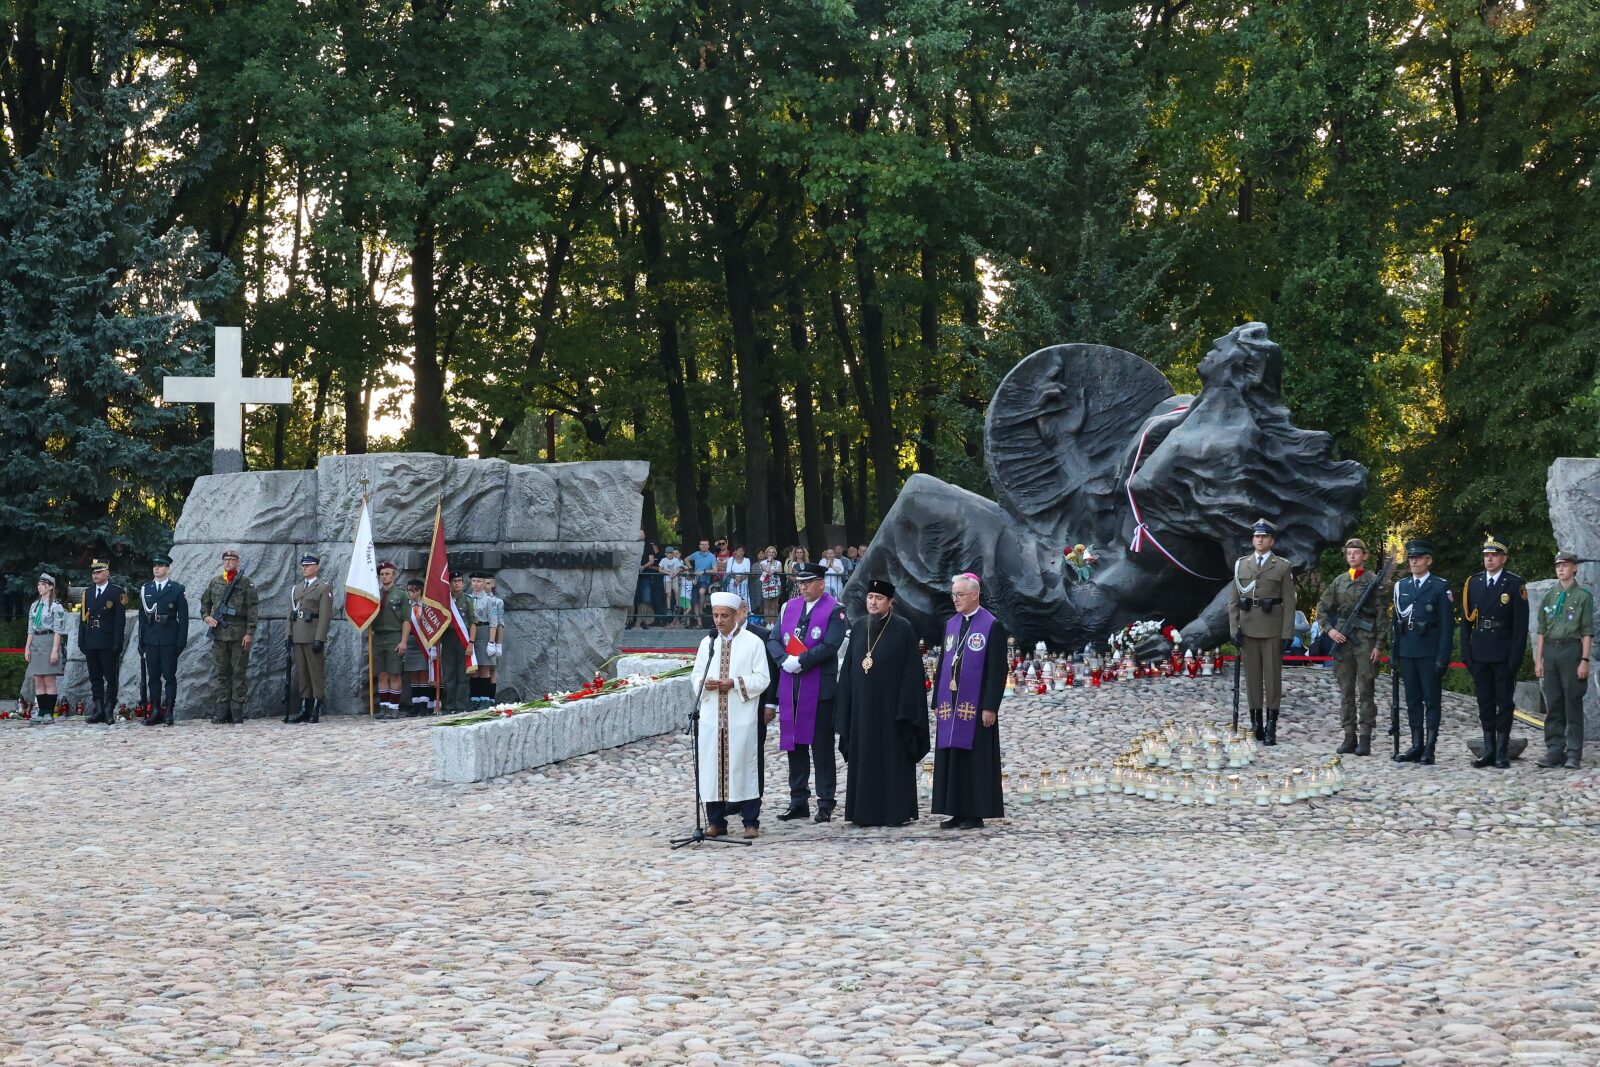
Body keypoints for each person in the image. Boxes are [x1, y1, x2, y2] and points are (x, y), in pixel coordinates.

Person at [836, 579, 930, 827]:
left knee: (892, 760)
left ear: (890, 602)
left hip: (891, 712)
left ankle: (894, 812)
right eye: (870, 598)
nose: (873, 602)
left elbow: (912, 674)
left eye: (879, 598)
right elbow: (848, 671)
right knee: (863, 758)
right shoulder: (858, 628)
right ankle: (862, 813)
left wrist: (905, 710)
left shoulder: (903, 629)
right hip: (862, 712)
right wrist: (844, 707)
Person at [768, 560, 848, 822]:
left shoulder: (836, 610)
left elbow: (830, 644)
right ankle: (798, 800)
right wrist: (783, 660)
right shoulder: (788, 608)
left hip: (819, 688)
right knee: (795, 746)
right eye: (800, 583)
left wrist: (801, 660)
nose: (802, 587)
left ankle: (825, 802)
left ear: (821, 583)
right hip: (791, 686)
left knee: (822, 748)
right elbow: (774, 639)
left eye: (807, 583)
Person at [690, 591, 772, 839]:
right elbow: (696, 675)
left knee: (743, 766)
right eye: (715, 615)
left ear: (737, 615)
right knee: (711, 767)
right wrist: (706, 684)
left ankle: (750, 821)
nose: (719, 620)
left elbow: (763, 678)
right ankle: (716, 821)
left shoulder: (753, 642)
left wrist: (734, 683)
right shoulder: (708, 643)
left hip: (741, 717)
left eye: (724, 615)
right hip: (712, 717)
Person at [930, 572, 1007, 829]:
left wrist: (990, 706)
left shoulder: (991, 625)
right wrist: (936, 701)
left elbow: (998, 670)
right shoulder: (951, 624)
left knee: (974, 758)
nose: (956, 599)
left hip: (976, 706)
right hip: (949, 704)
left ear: (975, 594)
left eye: (960, 595)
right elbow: (943, 663)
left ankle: (975, 812)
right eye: (954, 595)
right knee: (952, 757)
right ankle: (956, 810)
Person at [1460, 535, 1530, 770]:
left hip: (1502, 650)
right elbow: (1466, 622)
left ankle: (1501, 750)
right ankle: (1488, 749)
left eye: (1494, 556)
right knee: (1484, 702)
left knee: (1504, 702)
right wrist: (1466, 653)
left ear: (1504, 558)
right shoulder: (1475, 583)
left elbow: (1521, 626)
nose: (1489, 559)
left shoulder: (1514, 584)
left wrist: (1515, 658)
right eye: (1486, 556)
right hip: (1480, 649)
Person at [1226, 518, 1296, 745]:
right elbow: (1233, 601)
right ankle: (1255, 723)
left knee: (1273, 679)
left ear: (1272, 541)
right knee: (1253, 678)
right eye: (1257, 536)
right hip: (1248, 628)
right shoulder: (1242, 565)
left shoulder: (1282, 566)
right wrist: (1233, 628)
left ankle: (1271, 726)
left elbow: (1289, 602)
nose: (1260, 540)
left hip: (1272, 629)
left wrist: (1287, 633)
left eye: (1264, 536)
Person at [1316, 537, 1388, 755]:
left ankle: (1365, 737)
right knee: (1346, 691)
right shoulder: (1339, 581)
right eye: (1349, 553)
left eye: (1356, 553)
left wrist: (1379, 645)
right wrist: (1330, 630)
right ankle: (1349, 736)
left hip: (1366, 641)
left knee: (1366, 689)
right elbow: (1322, 608)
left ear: (1364, 556)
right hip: (1343, 641)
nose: (1352, 556)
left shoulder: (1374, 581)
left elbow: (1382, 616)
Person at [1391, 539, 1453, 765]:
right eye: (1411, 558)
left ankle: (1430, 746)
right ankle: (1416, 744)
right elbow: (1395, 622)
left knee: (1431, 701)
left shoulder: (1439, 587)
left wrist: (1443, 657)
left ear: (1429, 560)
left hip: (1429, 651)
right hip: (1408, 650)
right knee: (1413, 700)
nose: (1414, 561)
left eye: (1418, 558)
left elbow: (1447, 626)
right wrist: (1395, 653)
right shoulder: (1402, 586)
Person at [1534, 550, 1593, 769]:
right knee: (1553, 703)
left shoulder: (1583, 596)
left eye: (1566, 565)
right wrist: (1539, 660)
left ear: (1574, 568)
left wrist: (1584, 660)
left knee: (1572, 702)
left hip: (1571, 651)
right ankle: (1554, 750)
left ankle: (1574, 752)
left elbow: (1587, 631)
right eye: (1558, 565)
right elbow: (1541, 630)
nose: (1561, 569)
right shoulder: (1549, 595)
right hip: (1551, 651)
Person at [200, 548, 259, 725]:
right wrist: (206, 617)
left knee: (239, 673)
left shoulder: (246, 583)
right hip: (219, 635)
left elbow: (252, 610)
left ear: (237, 562)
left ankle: (236, 710)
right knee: (222, 673)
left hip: (239, 634)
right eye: (226, 559)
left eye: (232, 559)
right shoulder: (215, 582)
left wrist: (249, 633)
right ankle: (222, 710)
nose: (228, 562)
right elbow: (205, 603)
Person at [138, 553, 189, 727]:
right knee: (153, 678)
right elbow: (142, 618)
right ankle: (155, 711)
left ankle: (169, 711)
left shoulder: (177, 590)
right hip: (151, 639)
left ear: (168, 569)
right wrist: (141, 641)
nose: (156, 568)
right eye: (154, 566)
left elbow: (183, 619)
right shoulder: (147, 589)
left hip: (169, 639)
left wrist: (181, 642)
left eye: (160, 566)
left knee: (169, 677)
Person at [286, 552, 332, 724]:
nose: (304, 568)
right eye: (303, 566)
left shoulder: (323, 587)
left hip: (312, 635)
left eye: (308, 565)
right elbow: (290, 613)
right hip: (298, 635)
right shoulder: (296, 588)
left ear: (316, 567)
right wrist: (288, 635)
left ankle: (316, 707)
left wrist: (319, 638)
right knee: (302, 674)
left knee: (315, 673)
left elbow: (325, 615)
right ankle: (305, 707)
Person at [77, 559, 126, 724]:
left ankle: (109, 709)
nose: (95, 575)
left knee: (111, 678)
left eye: (99, 572)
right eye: (93, 573)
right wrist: (81, 640)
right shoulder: (88, 593)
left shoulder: (116, 592)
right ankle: (98, 708)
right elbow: (83, 619)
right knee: (95, 677)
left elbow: (120, 621)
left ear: (107, 573)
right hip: (91, 641)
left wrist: (117, 643)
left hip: (107, 641)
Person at [23, 573, 69, 720]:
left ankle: (49, 712)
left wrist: (55, 650)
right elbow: (30, 629)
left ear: (50, 587)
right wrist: (27, 648)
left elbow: (58, 630)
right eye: (38, 585)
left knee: (49, 679)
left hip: (49, 642)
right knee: (38, 679)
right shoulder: (34, 606)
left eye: (43, 585)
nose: (39, 587)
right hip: (36, 641)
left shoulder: (56, 606)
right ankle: (41, 711)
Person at [371, 561, 408, 718]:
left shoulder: (401, 595)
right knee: (382, 674)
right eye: (382, 574)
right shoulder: (374, 595)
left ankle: (394, 707)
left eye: (387, 573)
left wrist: (403, 641)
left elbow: (407, 620)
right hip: (378, 637)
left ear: (394, 575)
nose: (384, 577)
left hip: (394, 636)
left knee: (394, 673)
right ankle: (384, 707)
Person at [397, 578, 437, 714]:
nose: (409, 593)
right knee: (413, 673)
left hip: (424, 641)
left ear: (419, 591)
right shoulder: (407, 605)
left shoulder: (426, 606)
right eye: (408, 591)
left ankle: (424, 704)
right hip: (411, 640)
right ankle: (415, 703)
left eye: (412, 591)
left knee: (423, 672)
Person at [439, 571, 477, 714]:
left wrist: (471, 643)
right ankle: (449, 706)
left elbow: (473, 623)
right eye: (454, 581)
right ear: (449, 583)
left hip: (462, 639)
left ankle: (461, 705)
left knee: (463, 674)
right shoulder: (444, 601)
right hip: (447, 639)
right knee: (449, 674)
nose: (457, 583)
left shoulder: (467, 600)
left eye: (459, 581)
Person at [468, 572, 504, 709]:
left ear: (484, 583)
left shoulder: (491, 600)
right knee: (473, 669)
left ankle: (485, 699)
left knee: (484, 668)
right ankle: (475, 699)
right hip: (471, 634)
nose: (476, 584)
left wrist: (492, 642)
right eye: (474, 581)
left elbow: (494, 622)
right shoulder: (468, 599)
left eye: (479, 581)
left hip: (484, 632)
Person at [686, 539, 718, 621]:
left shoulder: (712, 556)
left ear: (708, 546)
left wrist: (704, 571)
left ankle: (701, 609)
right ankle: (699, 623)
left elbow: (715, 570)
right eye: (702, 544)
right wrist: (691, 569)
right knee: (695, 602)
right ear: (699, 546)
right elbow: (686, 559)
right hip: (696, 580)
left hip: (705, 581)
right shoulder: (696, 554)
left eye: (705, 544)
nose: (704, 546)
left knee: (702, 591)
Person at [659, 546, 686, 626]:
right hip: (667, 578)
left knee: (677, 591)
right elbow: (660, 569)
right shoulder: (663, 560)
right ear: (665, 554)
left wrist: (675, 573)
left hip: (675, 578)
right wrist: (668, 573)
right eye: (668, 553)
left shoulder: (676, 560)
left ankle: (677, 606)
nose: (670, 554)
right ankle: (668, 609)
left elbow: (678, 568)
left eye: (671, 553)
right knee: (668, 593)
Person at [757, 546, 783, 626]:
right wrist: (768, 562)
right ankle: (768, 623)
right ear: (766, 553)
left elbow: (780, 570)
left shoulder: (778, 562)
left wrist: (773, 570)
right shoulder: (762, 563)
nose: (771, 554)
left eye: (773, 552)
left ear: (775, 554)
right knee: (767, 604)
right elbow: (766, 570)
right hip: (766, 585)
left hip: (776, 584)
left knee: (774, 604)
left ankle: (774, 623)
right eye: (769, 552)